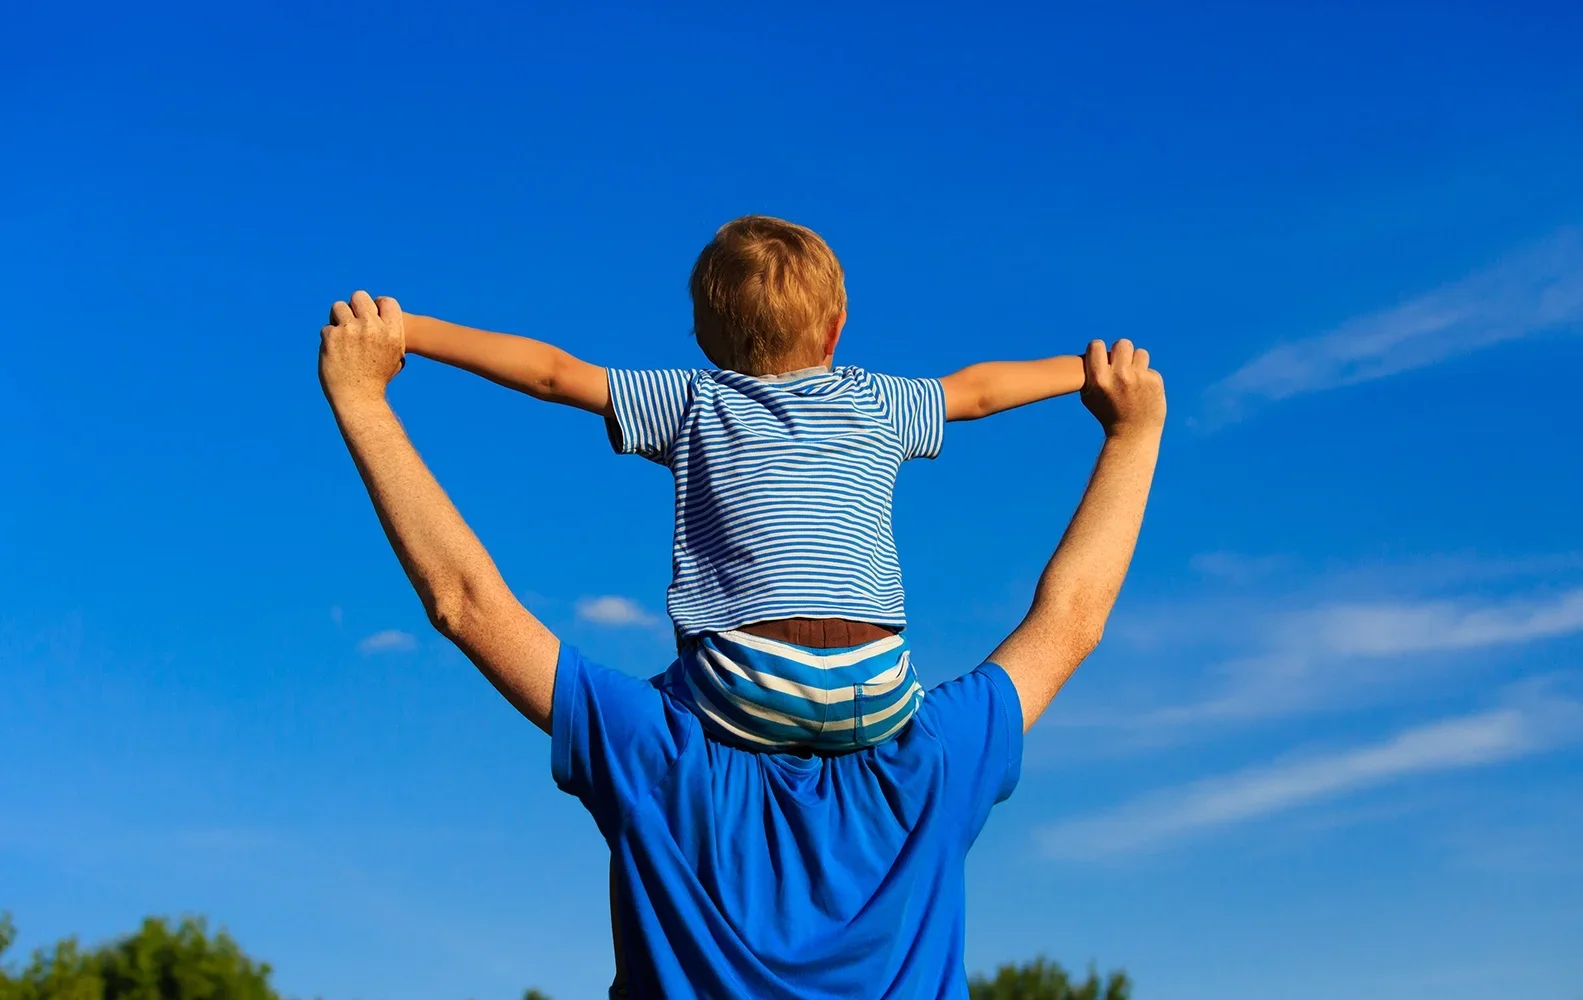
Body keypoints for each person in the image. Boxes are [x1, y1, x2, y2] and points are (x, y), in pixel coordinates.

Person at [320, 290, 1164, 998]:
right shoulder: (934, 760)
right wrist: (1132, 433)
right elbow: (1073, 619)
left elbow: (466, 602)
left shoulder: (655, 756)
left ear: (703, 335)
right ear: (836, 330)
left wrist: (364, 396)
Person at [395, 215, 1087, 751]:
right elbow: (981, 392)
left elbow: (553, 373)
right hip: (879, 691)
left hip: (739, 686)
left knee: (637, 711)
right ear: (836, 329)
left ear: (700, 337)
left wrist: (413, 330)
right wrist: (1088, 370)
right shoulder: (879, 400)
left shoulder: (694, 398)